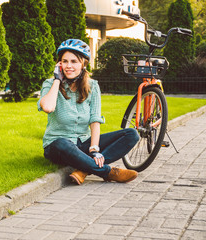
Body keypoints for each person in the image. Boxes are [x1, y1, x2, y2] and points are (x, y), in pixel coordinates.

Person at [37, 39, 140, 184]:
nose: (69, 66)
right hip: (58, 146)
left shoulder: (92, 86)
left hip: (83, 143)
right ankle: (108, 172)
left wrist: (94, 149)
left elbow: (94, 120)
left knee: (132, 134)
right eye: (64, 61)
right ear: (59, 64)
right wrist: (57, 80)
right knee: (62, 143)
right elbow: (48, 107)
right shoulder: (50, 84)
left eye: (74, 61)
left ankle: (84, 170)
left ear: (83, 64)